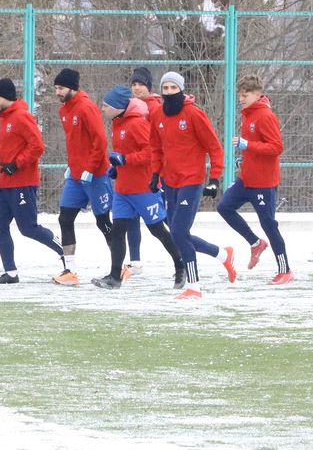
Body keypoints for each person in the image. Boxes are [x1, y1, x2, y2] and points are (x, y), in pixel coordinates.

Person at [149, 71, 237, 299]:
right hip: (170, 181)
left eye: (173, 88)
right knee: (178, 231)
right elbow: (156, 148)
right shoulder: (157, 114)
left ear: (181, 89)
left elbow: (214, 147)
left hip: (192, 180)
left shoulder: (194, 114)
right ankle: (222, 255)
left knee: (178, 231)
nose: (169, 92)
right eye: (165, 88)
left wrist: (215, 178)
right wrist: (155, 174)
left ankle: (194, 287)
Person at [91, 86, 183, 289]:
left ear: (118, 106)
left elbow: (152, 152)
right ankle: (115, 277)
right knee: (118, 231)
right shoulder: (118, 124)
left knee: (157, 230)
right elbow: (124, 153)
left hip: (143, 188)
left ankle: (180, 265)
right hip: (123, 190)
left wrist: (125, 159)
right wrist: (117, 168)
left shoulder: (136, 124)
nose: (102, 108)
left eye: (106, 105)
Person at [0, 78, 65, 284]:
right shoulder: (4, 118)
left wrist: (17, 163)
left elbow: (37, 145)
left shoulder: (21, 116)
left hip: (22, 182)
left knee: (28, 228)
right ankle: (10, 272)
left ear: (8, 97)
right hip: (4, 183)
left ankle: (65, 250)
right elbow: (8, 146)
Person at [218, 75, 293, 285]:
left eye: (245, 95)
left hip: (263, 183)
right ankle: (255, 243)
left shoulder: (265, 116)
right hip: (246, 179)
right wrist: (245, 156)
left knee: (269, 225)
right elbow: (256, 145)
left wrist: (247, 146)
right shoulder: (247, 115)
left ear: (258, 94)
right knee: (224, 207)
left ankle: (285, 270)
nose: (241, 99)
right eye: (240, 95)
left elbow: (276, 147)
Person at [52, 68, 114, 286]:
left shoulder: (86, 107)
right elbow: (75, 142)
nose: (57, 92)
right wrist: (73, 166)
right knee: (65, 218)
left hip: (95, 175)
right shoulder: (64, 110)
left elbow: (100, 141)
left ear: (72, 88)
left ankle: (118, 267)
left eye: (61, 88)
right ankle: (70, 270)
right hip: (76, 176)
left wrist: (90, 167)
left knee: (103, 222)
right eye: (56, 88)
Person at [123, 66, 162, 277]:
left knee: (160, 221)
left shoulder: (154, 107)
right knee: (131, 218)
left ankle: (182, 254)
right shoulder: (132, 107)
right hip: (137, 171)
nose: (137, 88)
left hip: (153, 172)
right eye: (134, 84)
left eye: (141, 84)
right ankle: (135, 261)